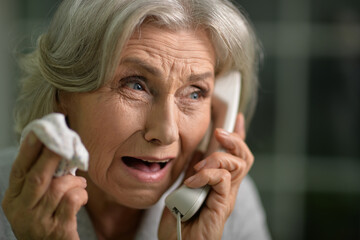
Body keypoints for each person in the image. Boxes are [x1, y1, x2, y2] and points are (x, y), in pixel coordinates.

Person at [0, 0, 271, 239]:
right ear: (64, 93)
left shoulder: (226, 203)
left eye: (195, 93)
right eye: (135, 86)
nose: (165, 133)